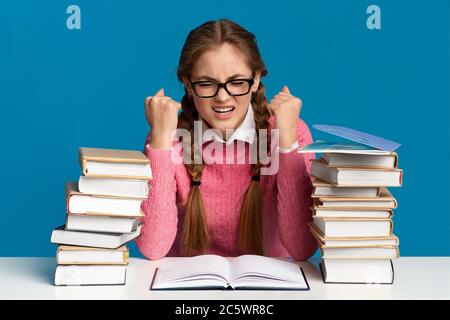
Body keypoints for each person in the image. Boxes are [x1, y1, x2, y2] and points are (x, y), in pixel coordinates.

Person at [135, 19, 317, 260]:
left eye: (237, 82)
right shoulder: (169, 136)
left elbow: (302, 248)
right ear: (188, 84)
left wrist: (288, 143)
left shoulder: (290, 132)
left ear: (256, 80)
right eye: (207, 83)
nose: (222, 97)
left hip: (270, 287)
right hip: (187, 287)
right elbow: (152, 248)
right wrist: (159, 141)